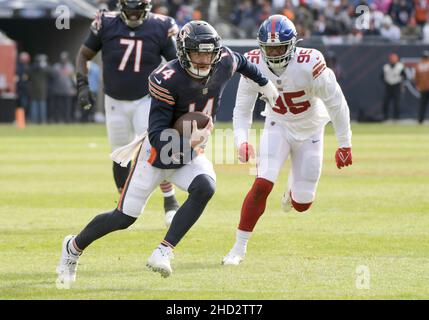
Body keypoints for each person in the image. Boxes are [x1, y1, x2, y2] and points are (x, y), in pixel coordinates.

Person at [56, 20, 278, 284]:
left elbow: (243, 63)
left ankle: (163, 251)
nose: (205, 59)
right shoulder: (166, 78)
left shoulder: (224, 61)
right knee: (123, 217)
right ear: (184, 52)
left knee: (205, 187)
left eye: (209, 53)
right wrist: (186, 145)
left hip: (189, 151)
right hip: (157, 155)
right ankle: (73, 246)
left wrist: (265, 85)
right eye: (198, 53)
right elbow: (157, 132)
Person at [222, 15, 353, 266]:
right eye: (269, 47)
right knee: (262, 185)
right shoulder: (252, 63)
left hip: (311, 128)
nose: (273, 52)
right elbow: (241, 109)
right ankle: (238, 248)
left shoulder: (310, 62)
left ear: (292, 45)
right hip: (277, 125)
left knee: (302, 204)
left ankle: (293, 187)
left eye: (279, 47)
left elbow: (336, 103)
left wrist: (344, 143)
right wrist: (242, 141)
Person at [75, 0, 180, 225]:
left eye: (137, 10)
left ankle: (169, 199)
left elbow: (175, 63)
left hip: (146, 98)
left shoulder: (160, 26)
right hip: (114, 100)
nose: (133, 15)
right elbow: (84, 55)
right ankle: (124, 205)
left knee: (154, 148)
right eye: (129, 10)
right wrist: (83, 84)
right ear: (121, 7)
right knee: (120, 154)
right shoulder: (106, 22)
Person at [381, 53, 406, 121]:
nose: (393, 59)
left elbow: (404, 76)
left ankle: (396, 117)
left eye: (394, 58)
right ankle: (385, 117)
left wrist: (401, 83)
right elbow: (382, 76)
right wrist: (386, 81)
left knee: (397, 103)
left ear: (397, 59)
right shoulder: (386, 67)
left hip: (397, 85)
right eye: (392, 58)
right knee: (386, 102)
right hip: (388, 85)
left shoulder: (400, 66)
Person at [414, 50, 429, 124]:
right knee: (423, 104)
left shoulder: (418, 65)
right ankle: (420, 119)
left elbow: (416, 78)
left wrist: (417, 85)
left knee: (423, 104)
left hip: (423, 88)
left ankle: (420, 119)